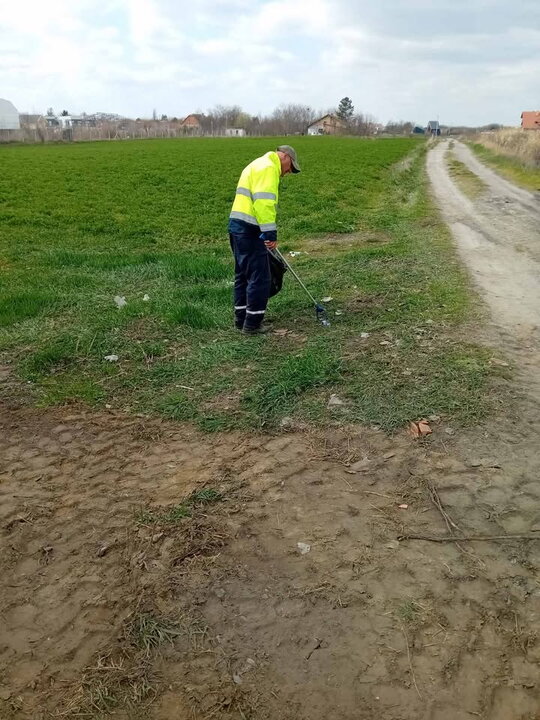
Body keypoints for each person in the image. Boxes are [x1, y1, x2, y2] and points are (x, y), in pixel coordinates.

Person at [228, 145, 301, 335]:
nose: (287, 172)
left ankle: (241, 319)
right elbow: (264, 204)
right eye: (290, 167)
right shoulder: (269, 168)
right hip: (250, 230)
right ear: (285, 157)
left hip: (236, 226)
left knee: (242, 275)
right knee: (260, 277)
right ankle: (252, 324)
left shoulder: (256, 164)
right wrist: (270, 234)